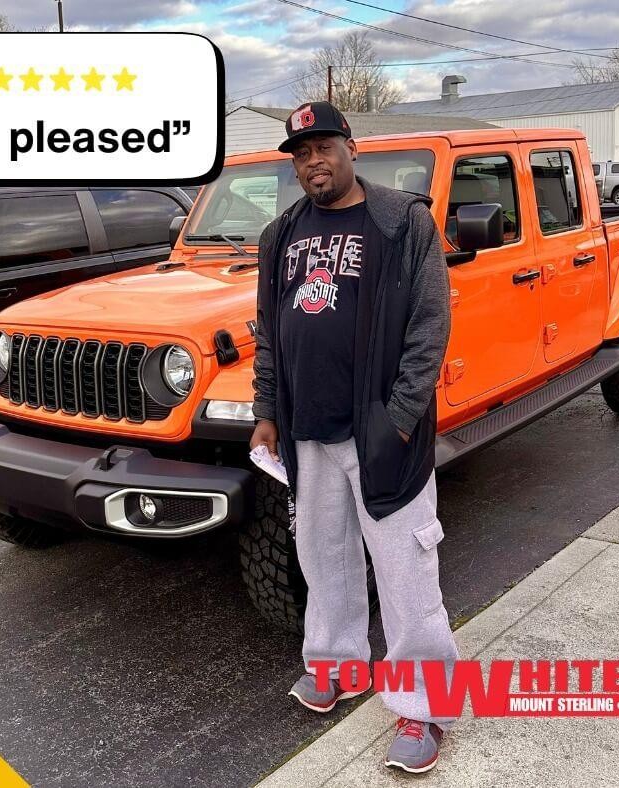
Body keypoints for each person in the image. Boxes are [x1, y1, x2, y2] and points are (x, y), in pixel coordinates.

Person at [249, 101, 459, 774]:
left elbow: (431, 325)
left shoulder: (402, 221)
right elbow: (268, 329)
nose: (313, 161)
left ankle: (425, 705)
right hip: (306, 431)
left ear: (351, 148)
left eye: (324, 147)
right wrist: (267, 408)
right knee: (324, 559)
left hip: (381, 433)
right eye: (301, 153)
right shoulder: (280, 234)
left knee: (405, 572)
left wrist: (400, 417)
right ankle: (339, 666)